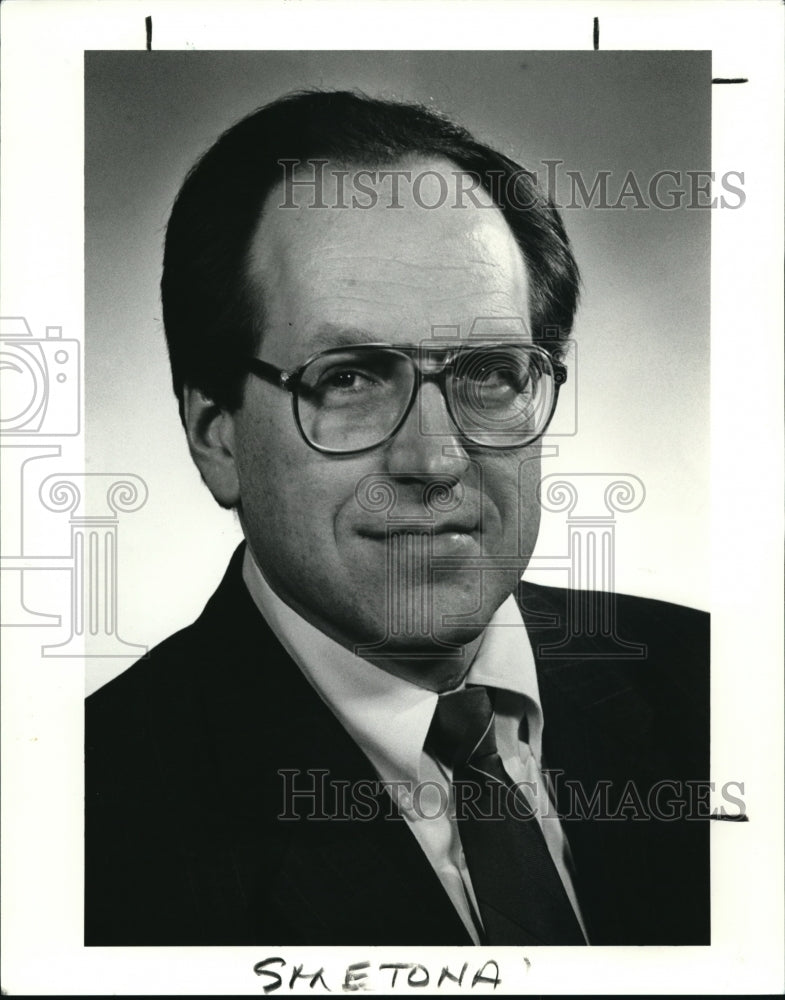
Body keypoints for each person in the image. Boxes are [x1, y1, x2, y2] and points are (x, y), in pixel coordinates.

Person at [85, 90, 709, 947]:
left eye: (490, 371)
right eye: (346, 378)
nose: (436, 459)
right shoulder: (84, 824)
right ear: (214, 435)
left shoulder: (720, 688)